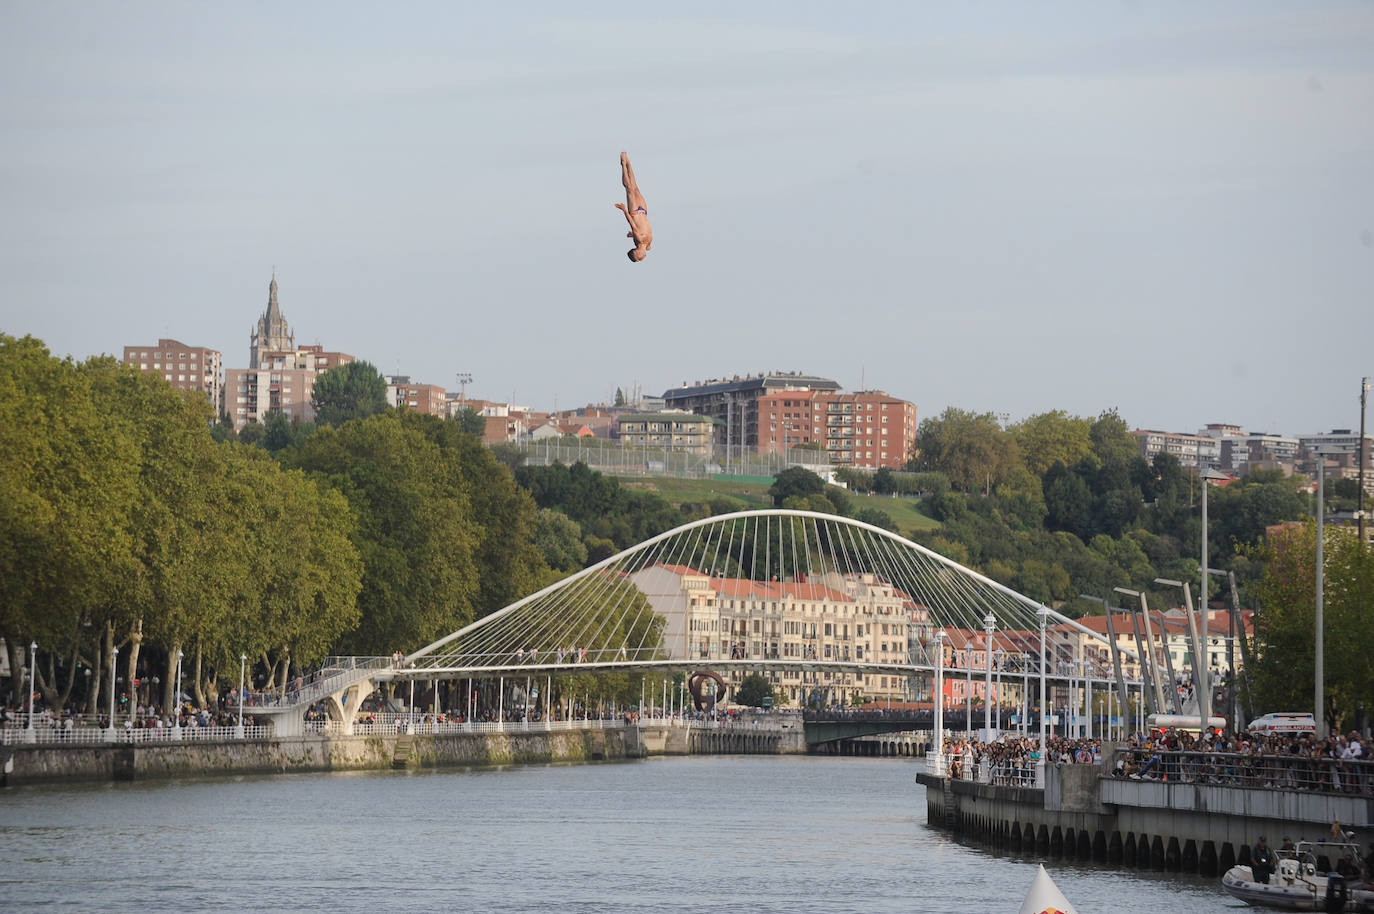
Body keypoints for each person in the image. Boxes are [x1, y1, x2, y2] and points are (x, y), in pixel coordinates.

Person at [614, 151, 653, 262]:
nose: (640, 259)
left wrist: (624, 210)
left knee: (629, 188)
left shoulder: (639, 240)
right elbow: (646, 242)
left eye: (637, 257)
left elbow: (631, 223)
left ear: (636, 251)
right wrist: (632, 235)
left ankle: (623, 164)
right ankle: (629, 163)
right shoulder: (648, 245)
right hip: (643, 210)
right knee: (635, 187)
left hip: (635, 211)